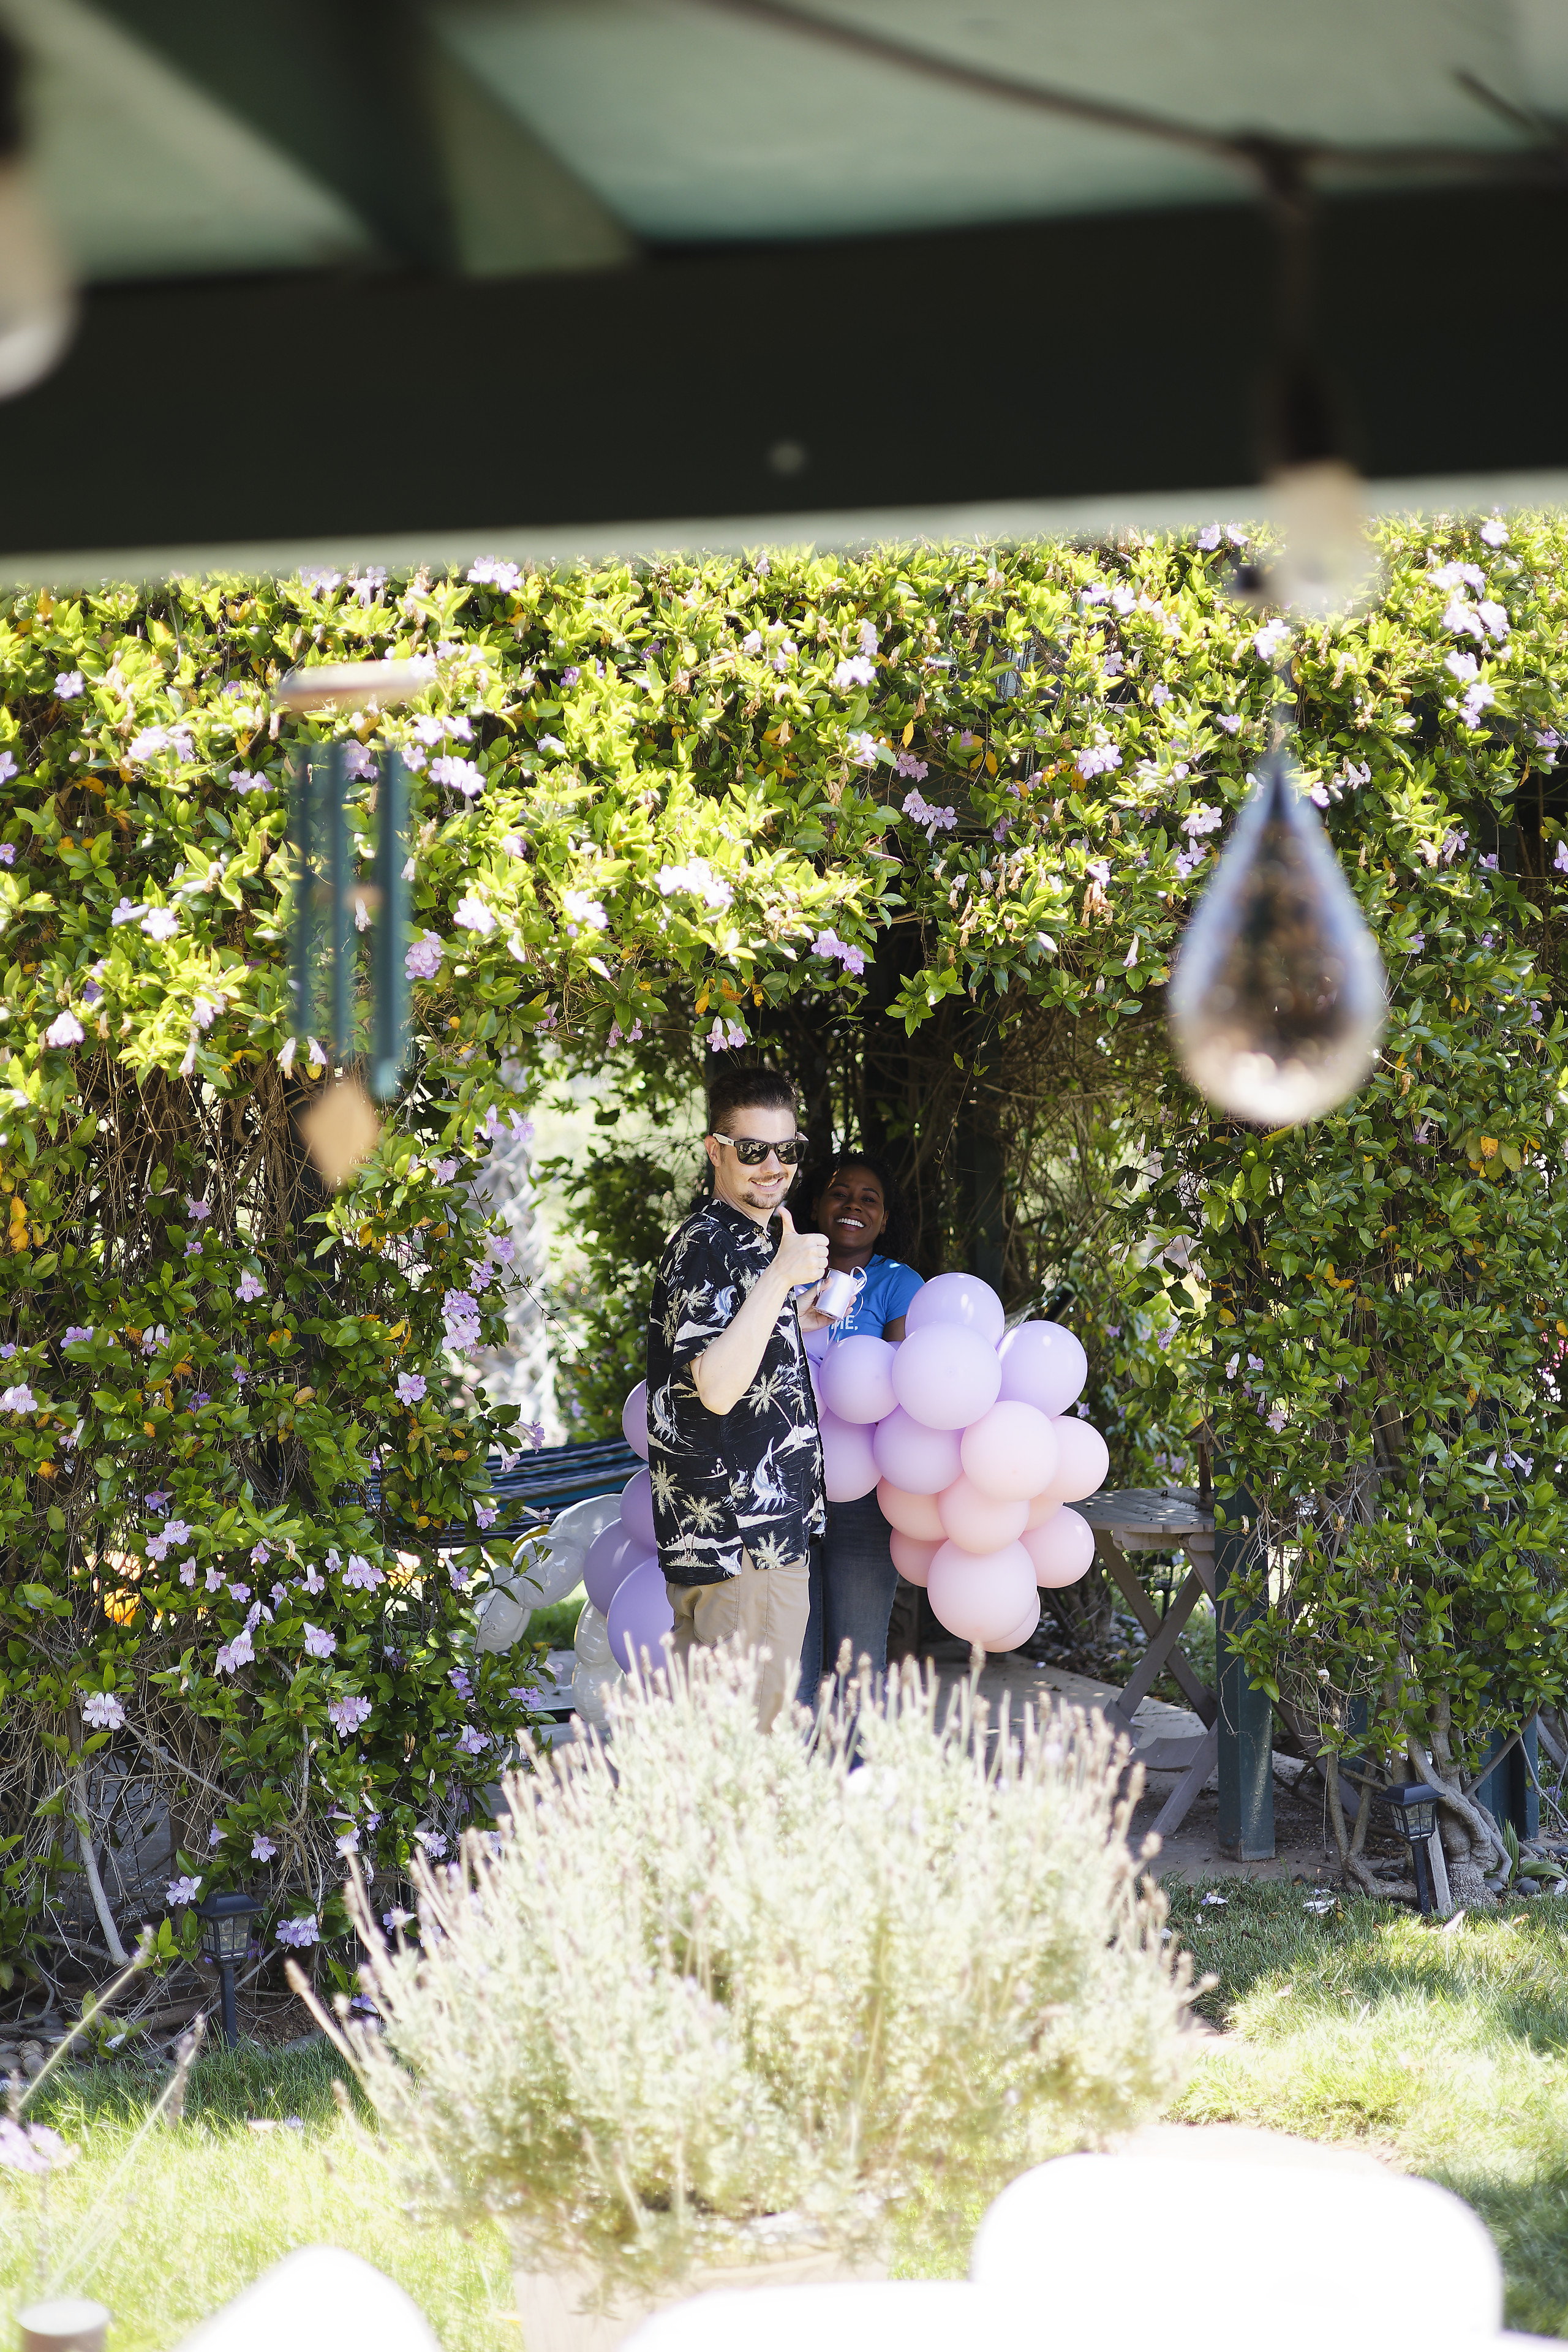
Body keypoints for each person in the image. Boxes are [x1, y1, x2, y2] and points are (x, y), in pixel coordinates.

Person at [646, 1066, 829, 1729]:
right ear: (715, 1150)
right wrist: (781, 1277)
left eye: (788, 1150)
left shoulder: (742, 1241)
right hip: (744, 1541)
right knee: (749, 1745)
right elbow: (718, 1390)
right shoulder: (710, 1244)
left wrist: (792, 1316)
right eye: (753, 1150)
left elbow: (719, 1352)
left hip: (737, 1539)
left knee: (710, 1741)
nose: (773, 1167)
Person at [797, 1150, 924, 1708]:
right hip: (785, 1484)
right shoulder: (783, 1272)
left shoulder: (899, 1284)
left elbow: (909, 1387)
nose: (853, 1205)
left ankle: (852, 1762)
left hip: (865, 1491)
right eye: (840, 1193)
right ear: (817, 1206)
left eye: (869, 1198)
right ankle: (789, 1763)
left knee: (857, 1661)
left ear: (884, 1218)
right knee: (790, 1660)